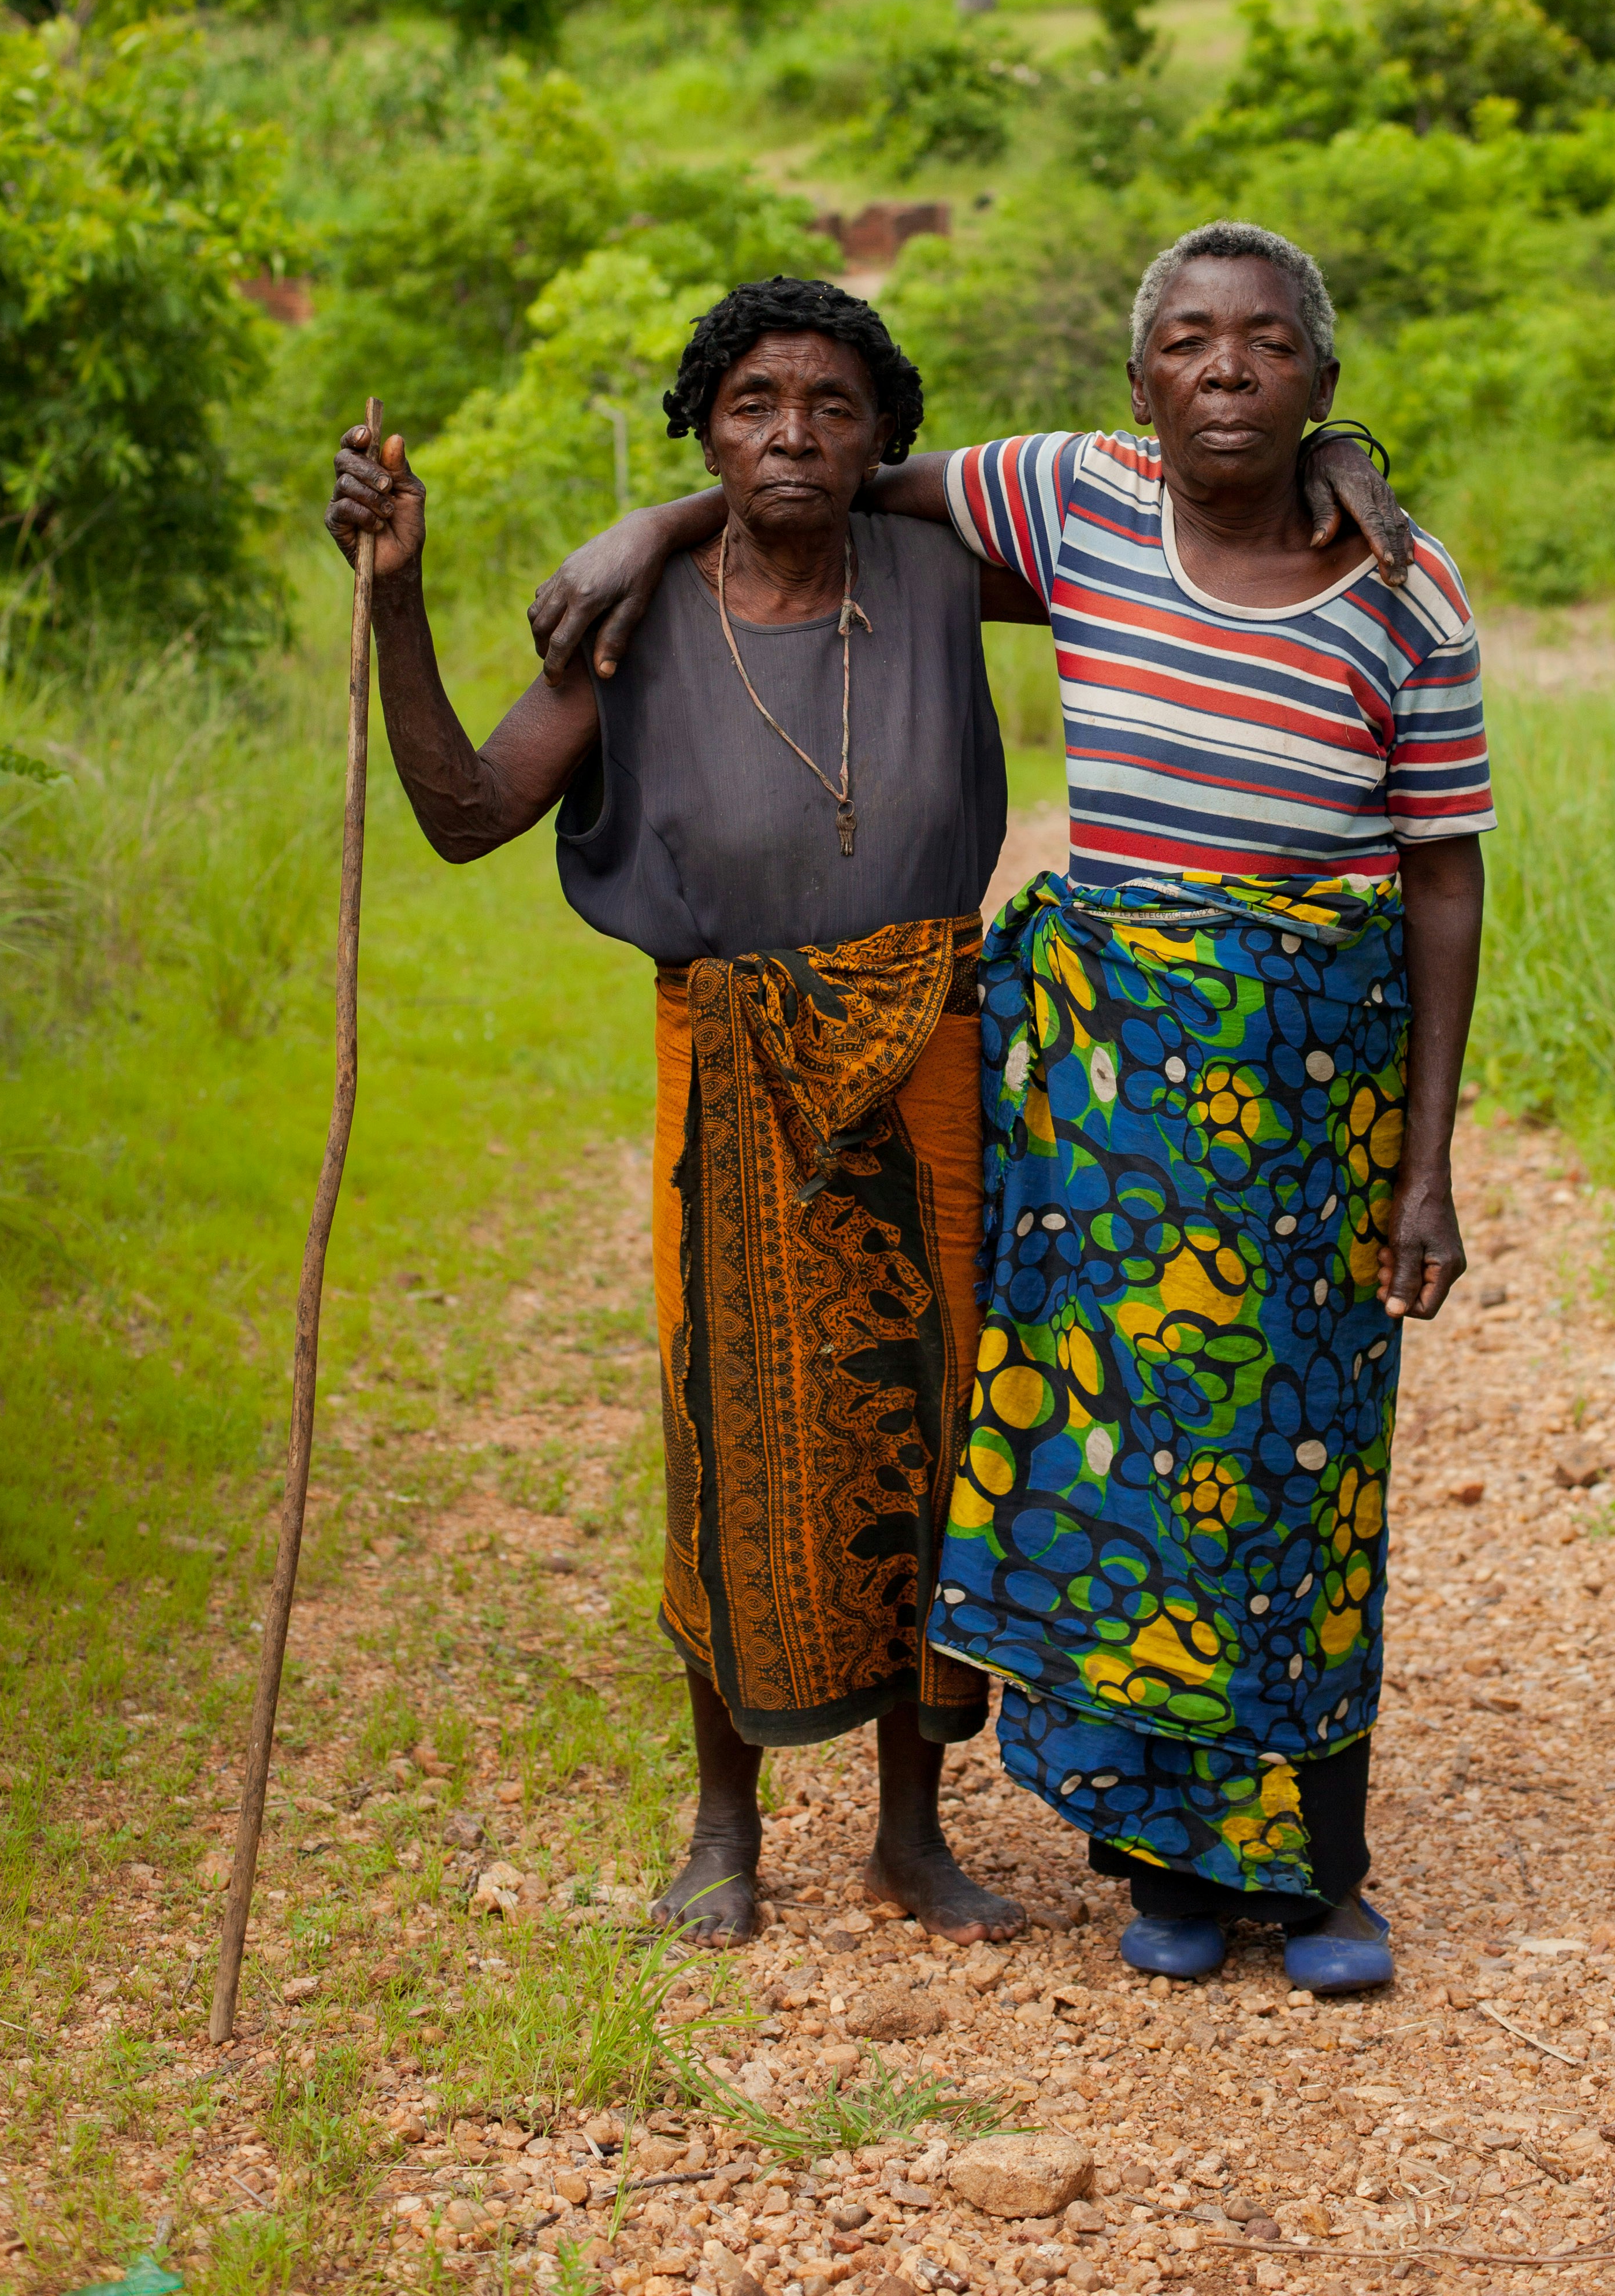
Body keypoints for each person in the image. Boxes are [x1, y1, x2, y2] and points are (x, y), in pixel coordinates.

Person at [528, 220, 1487, 1994]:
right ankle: (1167, 1862)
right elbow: (818, 486)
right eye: (1186, 341)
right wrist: (651, 527)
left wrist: (1428, 1164)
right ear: (1135, 385)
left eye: (1267, 344)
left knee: (1307, 1454)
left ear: (1323, 379)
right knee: (1119, 1451)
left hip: (1321, 1082)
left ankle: (1322, 1871)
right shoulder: (1074, 500)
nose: (1224, 369)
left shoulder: (1403, 579)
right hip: (1112, 1076)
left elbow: (1444, 870)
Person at [328, 275, 1046, 1946]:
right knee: (728, 1430)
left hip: (929, 1052)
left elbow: (1172, 527)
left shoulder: (942, 575)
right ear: (705, 431)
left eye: (833, 408)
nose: (792, 434)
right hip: (730, 1067)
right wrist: (399, 599)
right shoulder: (637, 622)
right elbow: (464, 812)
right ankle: (726, 1826)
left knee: (936, 1424)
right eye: (752, 406)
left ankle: (914, 1836)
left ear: (884, 441)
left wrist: (1326, 465)